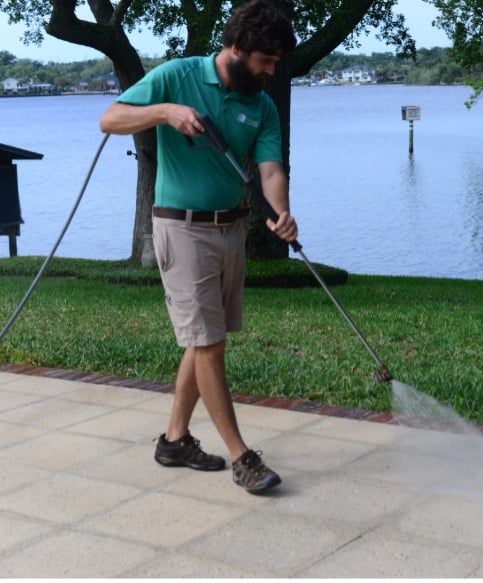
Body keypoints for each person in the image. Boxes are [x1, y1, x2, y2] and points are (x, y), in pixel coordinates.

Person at [99, 0, 298, 495]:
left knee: (205, 337)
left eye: (276, 63)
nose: (272, 71)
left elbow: (271, 169)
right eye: (266, 61)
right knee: (209, 343)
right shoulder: (177, 76)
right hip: (181, 228)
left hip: (231, 229)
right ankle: (242, 457)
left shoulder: (262, 104)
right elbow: (110, 119)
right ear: (236, 48)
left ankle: (173, 441)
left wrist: (280, 212)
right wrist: (165, 112)